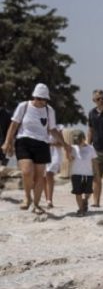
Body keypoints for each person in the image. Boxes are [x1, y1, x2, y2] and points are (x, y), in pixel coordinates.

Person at [2, 84, 70, 214]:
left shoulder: (49, 110)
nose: (41, 101)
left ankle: (37, 204)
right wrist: (7, 142)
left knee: (40, 175)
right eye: (39, 98)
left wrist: (65, 144)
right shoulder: (24, 106)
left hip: (42, 143)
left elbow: (52, 129)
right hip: (24, 141)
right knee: (27, 172)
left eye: (44, 99)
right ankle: (27, 197)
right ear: (34, 96)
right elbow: (14, 125)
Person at [68, 129, 97, 217]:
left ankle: (85, 200)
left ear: (84, 138)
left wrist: (96, 172)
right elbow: (70, 160)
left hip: (88, 174)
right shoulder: (73, 148)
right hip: (76, 173)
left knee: (88, 192)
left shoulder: (91, 148)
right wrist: (68, 152)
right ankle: (81, 209)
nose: (78, 143)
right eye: (76, 141)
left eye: (79, 141)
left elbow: (94, 161)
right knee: (78, 192)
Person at [44, 125, 64, 209]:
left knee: (49, 174)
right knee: (43, 177)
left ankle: (49, 200)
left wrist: (50, 143)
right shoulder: (39, 125)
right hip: (42, 152)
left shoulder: (58, 128)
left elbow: (61, 143)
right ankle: (47, 199)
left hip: (54, 153)